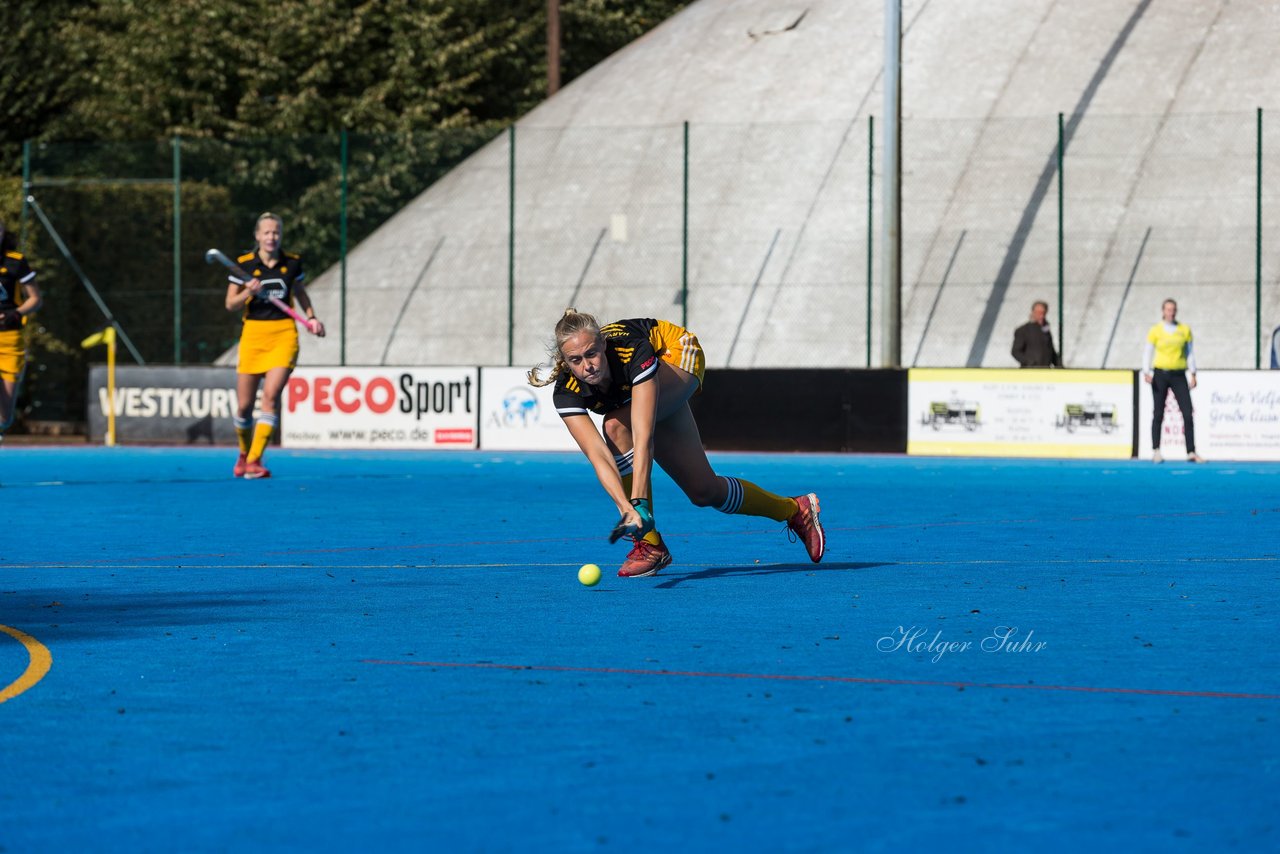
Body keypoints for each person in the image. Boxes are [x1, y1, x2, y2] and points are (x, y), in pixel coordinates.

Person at [528, 309, 825, 578]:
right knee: (704, 491)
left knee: (617, 425)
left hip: (677, 356)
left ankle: (650, 544)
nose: (587, 366)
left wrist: (639, 503)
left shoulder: (630, 351)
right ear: (565, 362)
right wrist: (624, 509)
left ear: (603, 345)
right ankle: (794, 510)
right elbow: (598, 456)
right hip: (636, 393)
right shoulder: (566, 392)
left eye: (592, 354)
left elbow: (642, 438)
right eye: (576, 360)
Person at [224, 212, 324, 478]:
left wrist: (311, 318)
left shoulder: (291, 263)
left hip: (283, 334)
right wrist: (249, 292)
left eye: (276, 232)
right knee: (244, 406)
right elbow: (230, 305)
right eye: (266, 232)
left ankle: (256, 460)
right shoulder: (243, 265)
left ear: (281, 235)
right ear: (257, 236)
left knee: (270, 396)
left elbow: (300, 292)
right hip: (253, 334)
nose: (271, 237)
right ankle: (244, 454)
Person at [1142, 298, 1202, 464]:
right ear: (1163, 311)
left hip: (1179, 375)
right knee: (1158, 413)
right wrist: (1146, 371)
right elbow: (1148, 351)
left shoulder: (1184, 330)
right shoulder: (1155, 330)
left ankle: (1191, 451)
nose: (1171, 312)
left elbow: (1190, 353)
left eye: (1173, 309)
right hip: (1160, 374)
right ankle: (1156, 450)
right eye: (1168, 310)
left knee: (1188, 412)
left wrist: (1193, 373)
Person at [0, 217, 43, 445]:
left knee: (4, 417)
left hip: (9, 340)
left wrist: (15, 314)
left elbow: (35, 299)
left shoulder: (15, 262)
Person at [1011, 300, 1061, 367]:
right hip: (1030, 371)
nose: (1041, 316)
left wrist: (1059, 365)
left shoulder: (1046, 330)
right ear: (1033, 312)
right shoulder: (1023, 330)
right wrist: (1030, 362)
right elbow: (1016, 351)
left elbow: (1051, 350)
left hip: (1046, 370)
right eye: (1039, 313)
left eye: (1043, 313)